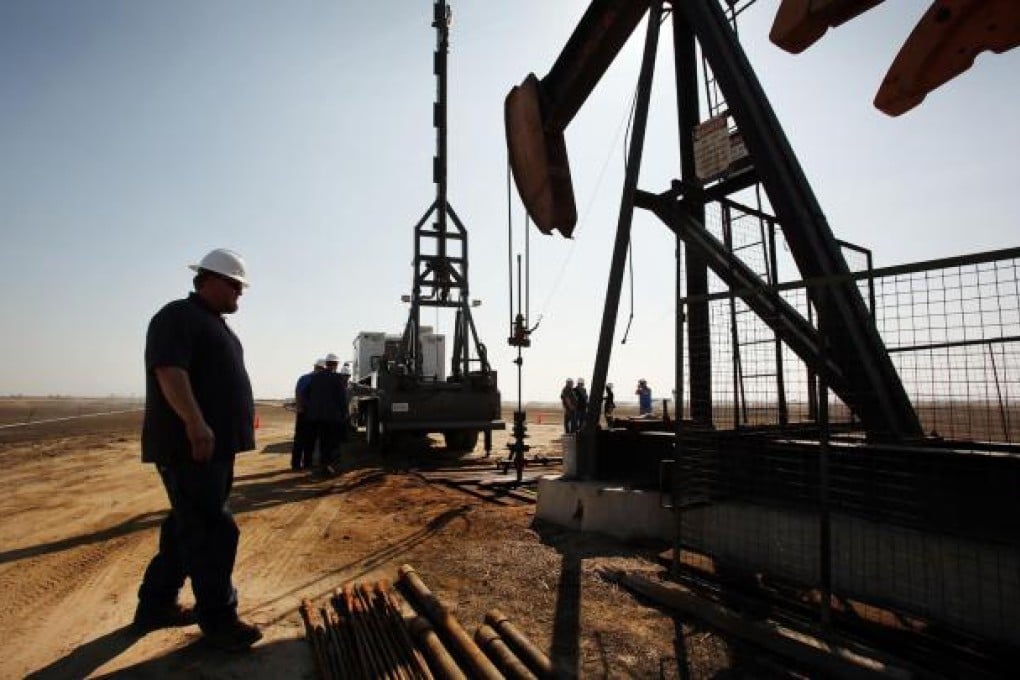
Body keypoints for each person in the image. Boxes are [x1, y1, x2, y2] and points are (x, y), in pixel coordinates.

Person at [135, 247, 262, 652]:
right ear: (209, 280)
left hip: (210, 448)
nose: (239, 295)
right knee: (213, 531)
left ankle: (155, 606)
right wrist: (194, 421)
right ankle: (220, 620)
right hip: (189, 447)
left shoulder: (212, 323)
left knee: (185, 527)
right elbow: (169, 369)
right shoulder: (177, 316)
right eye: (235, 287)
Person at [304, 353, 349, 475]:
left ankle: (323, 464)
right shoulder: (338, 378)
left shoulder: (315, 378)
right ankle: (328, 466)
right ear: (335, 364)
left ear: (326, 364)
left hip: (317, 416)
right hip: (332, 417)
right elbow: (342, 398)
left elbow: (308, 394)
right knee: (332, 441)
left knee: (323, 441)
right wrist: (345, 412)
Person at [290, 359, 325, 471]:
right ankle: (304, 463)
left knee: (304, 439)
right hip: (309, 413)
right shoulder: (315, 380)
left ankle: (299, 464)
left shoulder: (304, 378)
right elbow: (300, 394)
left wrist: (300, 407)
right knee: (308, 439)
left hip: (305, 412)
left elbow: (298, 393)